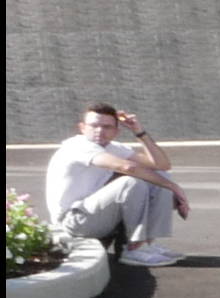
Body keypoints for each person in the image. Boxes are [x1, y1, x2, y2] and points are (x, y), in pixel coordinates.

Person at [41, 103, 188, 266]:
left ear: (116, 131)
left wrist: (139, 132)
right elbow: (125, 167)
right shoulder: (77, 146)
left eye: (106, 127)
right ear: (82, 128)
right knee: (130, 181)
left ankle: (147, 244)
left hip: (97, 215)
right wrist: (174, 187)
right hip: (73, 221)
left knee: (159, 177)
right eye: (94, 126)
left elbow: (161, 165)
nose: (99, 131)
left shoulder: (114, 147)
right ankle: (132, 249)